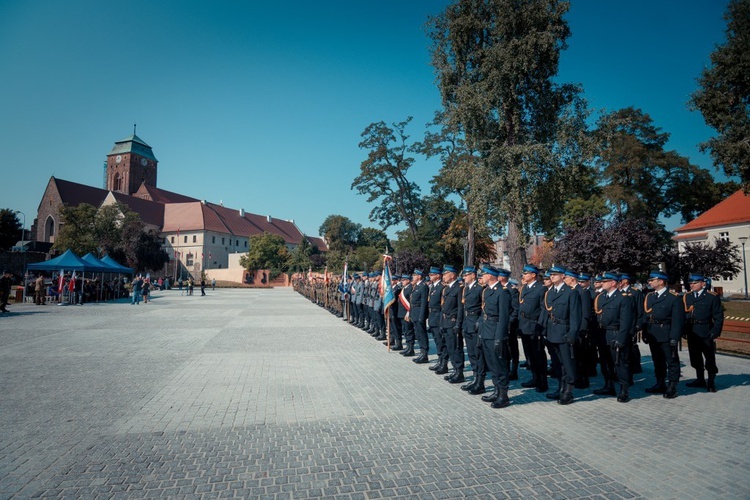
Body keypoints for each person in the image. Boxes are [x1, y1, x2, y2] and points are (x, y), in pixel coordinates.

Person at [541, 266, 581, 405]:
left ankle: (568, 391)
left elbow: (575, 316)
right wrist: (545, 330)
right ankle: (560, 387)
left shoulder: (571, 292)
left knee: (567, 363)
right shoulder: (550, 292)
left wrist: (572, 333)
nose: (552, 277)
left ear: (563, 276)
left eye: (555, 275)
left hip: (564, 331)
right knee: (557, 363)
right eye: (551, 275)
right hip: (552, 331)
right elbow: (547, 313)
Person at [641, 270, 684, 399]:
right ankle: (660, 382)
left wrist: (674, 338)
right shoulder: (651, 296)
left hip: (666, 333)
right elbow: (647, 316)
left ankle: (672, 386)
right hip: (653, 332)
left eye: (652, 280)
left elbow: (678, 320)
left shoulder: (673, 298)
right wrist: (645, 331)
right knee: (657, 360)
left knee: (671, 360)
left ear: (661, 281)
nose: (649, 282)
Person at [595, 272, 634, 402]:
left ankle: (624, 390)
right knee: (605, 363)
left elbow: (626, 322)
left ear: (613, 283)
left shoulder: (623, 298)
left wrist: (621, 339)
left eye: (605, 281)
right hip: (603, 334)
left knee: (619, 363)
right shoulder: (601, 297)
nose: (602, 283)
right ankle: (608, 385)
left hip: (616, 334)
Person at [477, 265, 512, 408]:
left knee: (499, 364)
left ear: (490, 276)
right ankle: (496, 390)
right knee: (491, 364)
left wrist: (499, 337)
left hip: (495, 332)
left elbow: (504, 318)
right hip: (486, 331)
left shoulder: (502, 293)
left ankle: (503, 395)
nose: (482, 277)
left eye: (484, 275)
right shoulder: (487, 292)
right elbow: (483, 313)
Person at [683, 274, 723, 392]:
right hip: (692, 330)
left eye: (695, 283)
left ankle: (711, 381)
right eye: (691, 283)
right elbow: (684, 314)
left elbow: (718, 316)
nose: (692, 285)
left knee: (709, 357)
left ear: (703, 283)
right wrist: (684, 330)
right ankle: (699, 379)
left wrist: (715, 332)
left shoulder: (711, 297)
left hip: (706, 330)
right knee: (695, 357)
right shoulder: (687, 296)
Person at [518, 264, 548, 393]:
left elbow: (544, 310)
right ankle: (535, 378)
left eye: (526, 273)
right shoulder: (525, 288)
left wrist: (539, 327)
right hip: (524, 325)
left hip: (534, 325)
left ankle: (542, 381)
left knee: (538, 355)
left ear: (533, 275)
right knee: (529, 355)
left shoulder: (541, 289)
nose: (524, 275)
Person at [460, 266, 485, 394]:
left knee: (478, 354)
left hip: (475, 325)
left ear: (473, 275)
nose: (464, 277)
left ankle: (480, 382)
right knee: (471, 353)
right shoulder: (466, 289)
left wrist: (479, 323)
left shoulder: (480, 289)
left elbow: (483, 308)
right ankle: (475, 378)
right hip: (467, 324)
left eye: (466, 275)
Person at [439, 265, 464, 384]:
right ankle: (455, 370)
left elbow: (460, 308)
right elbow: (443, 308)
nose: (443, 276)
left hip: (453, 322)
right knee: (450, 347)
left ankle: (459, 372)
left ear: (453, 274)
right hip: (446, 322)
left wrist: (458, 324)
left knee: (456, 348)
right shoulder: (447, 288)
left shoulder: (459, 288)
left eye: (445, 274)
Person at [427, 267, 447, 373]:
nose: (430, 276)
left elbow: (442, 305)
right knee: (436, 341)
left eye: (432, 274)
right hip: (432, 317)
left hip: (438, 317)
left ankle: (444, 363)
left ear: (438, 275)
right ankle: (439, 361)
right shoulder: (433, 287)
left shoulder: (441, 287)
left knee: (441, 341)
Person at [409, 269, 430, 364]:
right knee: (418, 333)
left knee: (422, 334)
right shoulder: (416, 286)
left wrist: (422, 316)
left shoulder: (423, 286)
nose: (413, 277)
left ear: (419, 276)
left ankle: (424, 353)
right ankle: (422, 352)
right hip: (414, 313)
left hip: (419, 313)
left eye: (415, 275)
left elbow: (423, 303)